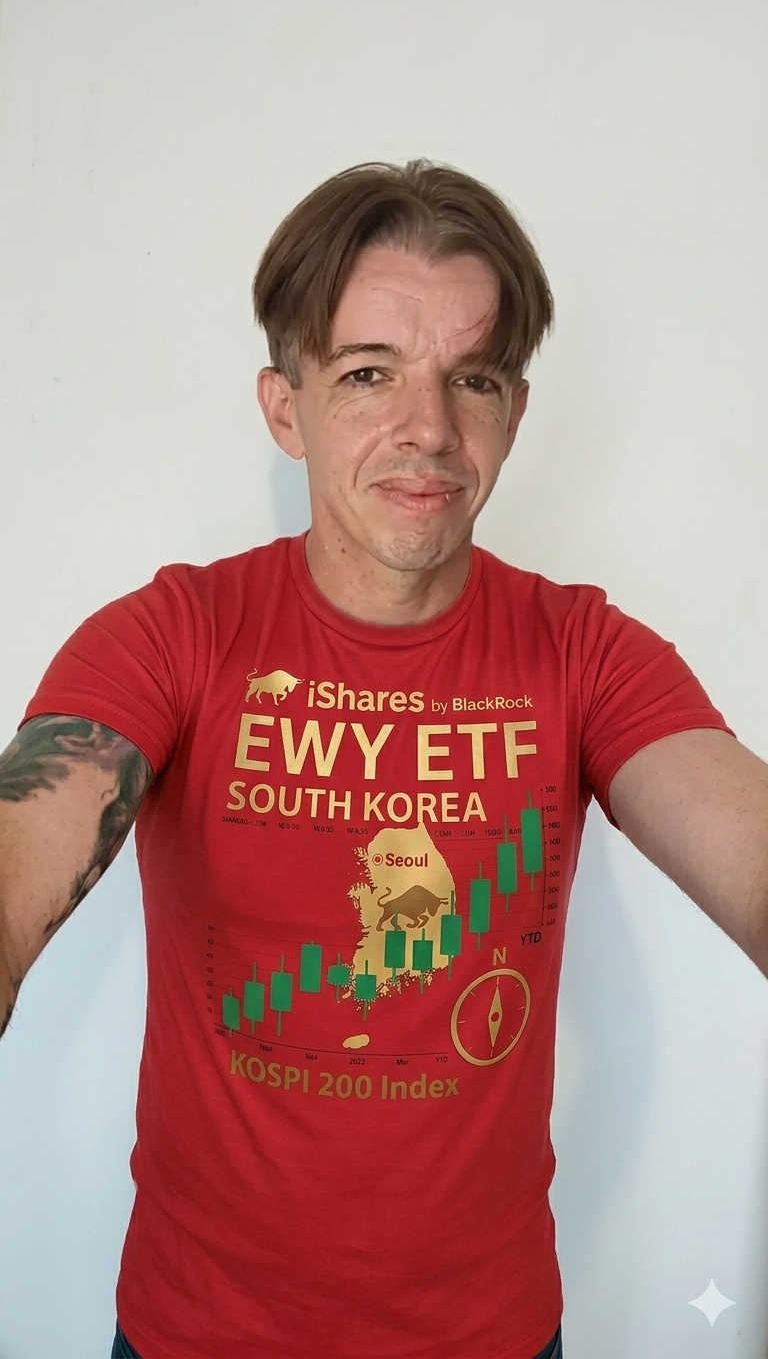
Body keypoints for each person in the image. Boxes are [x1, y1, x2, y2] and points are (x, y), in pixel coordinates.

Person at [0, 160, 765, 1359]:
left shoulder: (586, 652)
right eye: (369, 373)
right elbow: (18, 858)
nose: (430, 429)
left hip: (493, 1336)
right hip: (197, 1334)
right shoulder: (172, 636)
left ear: (514, 411)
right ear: (284, 406)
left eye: (473, 377)